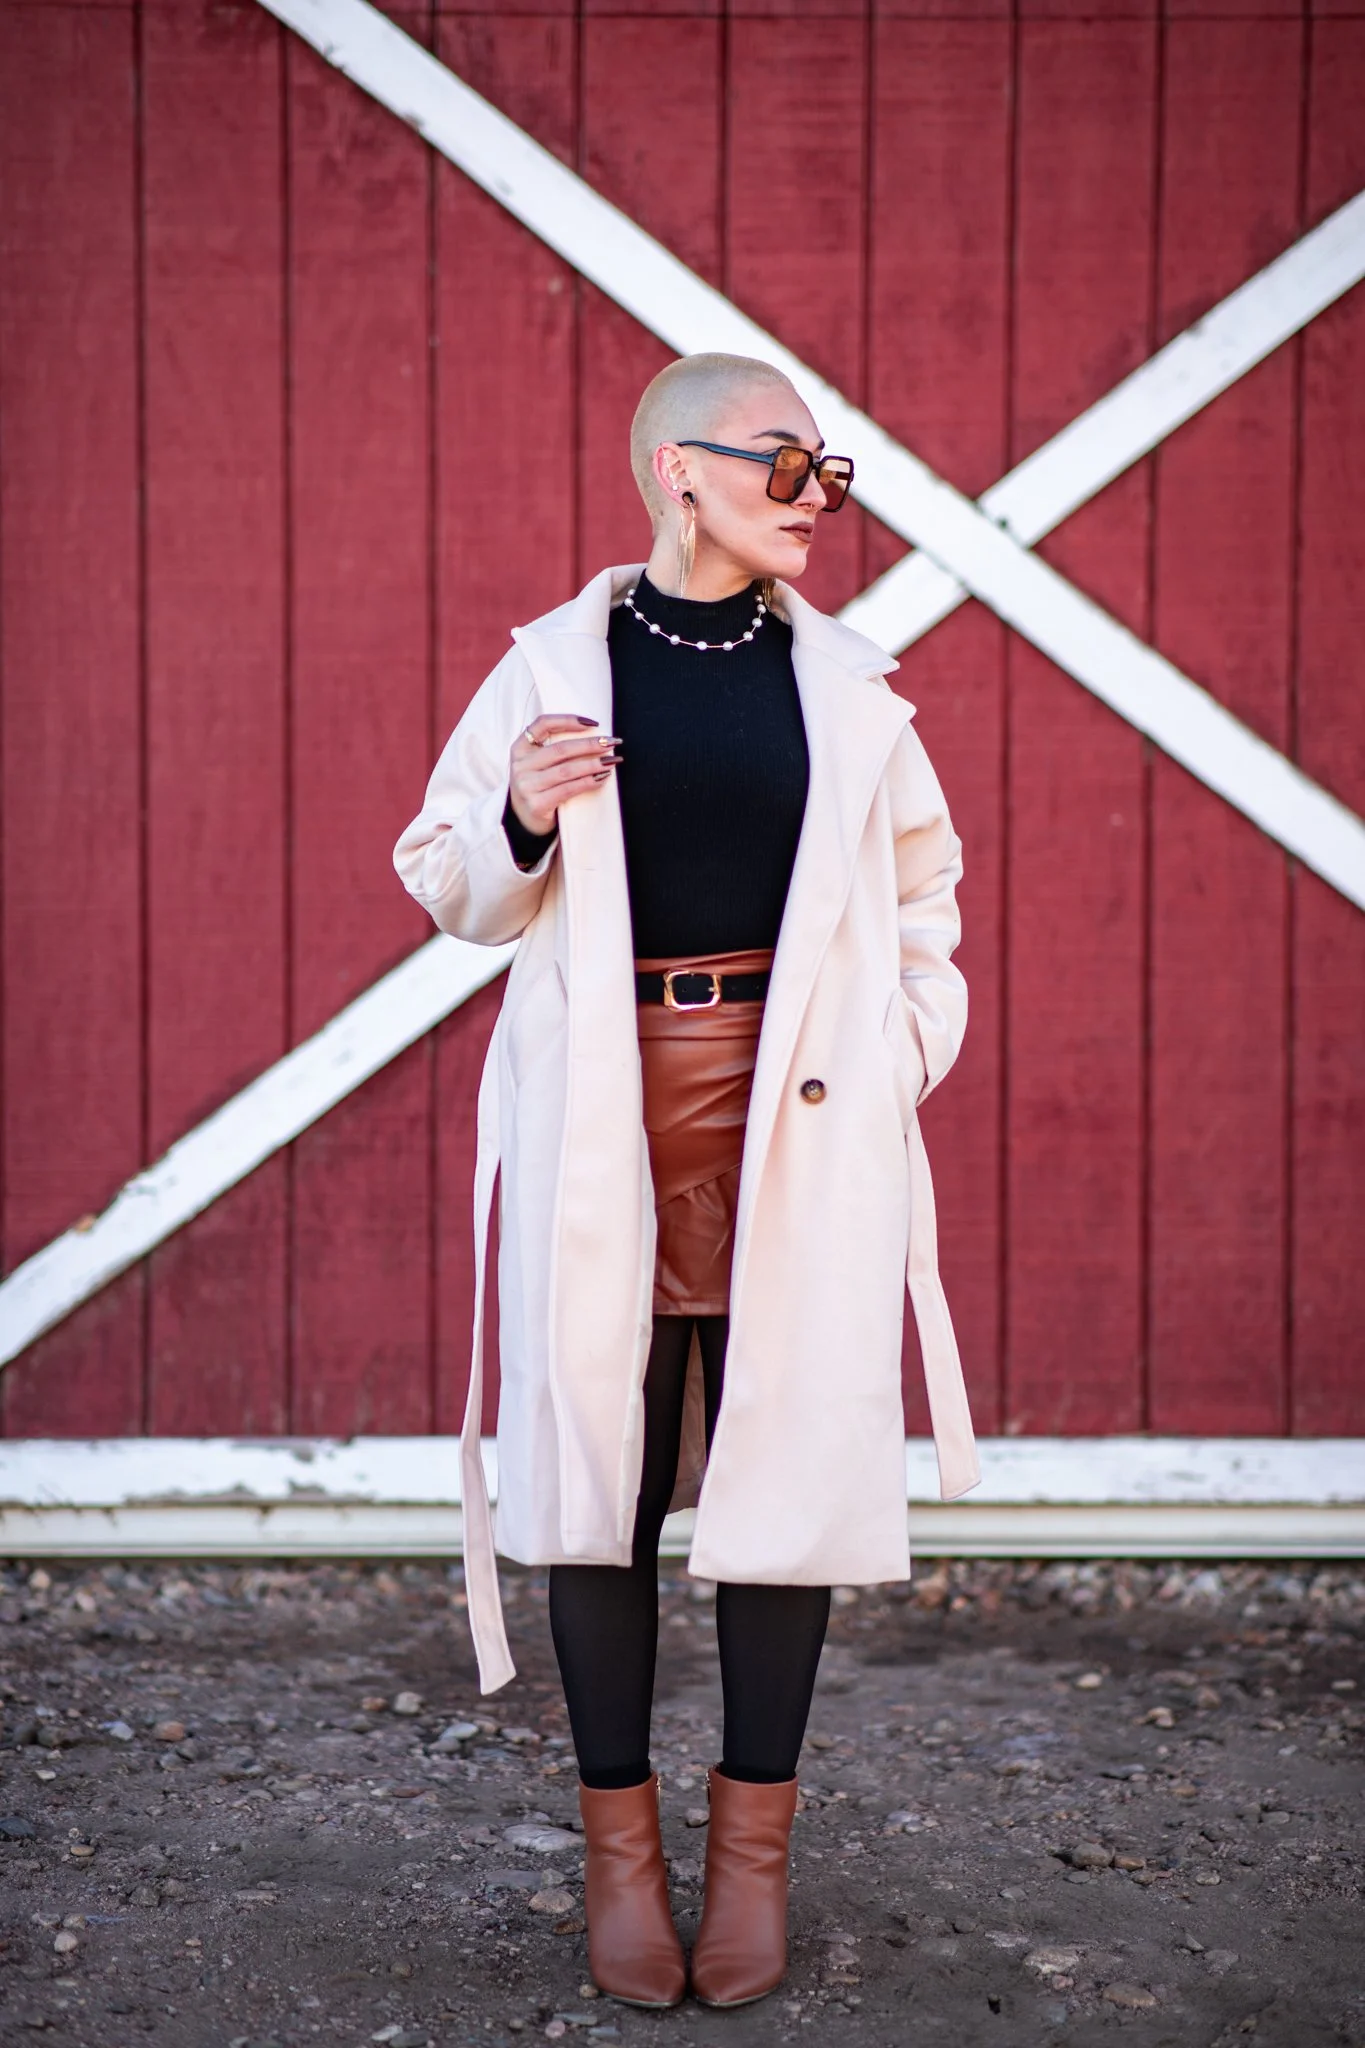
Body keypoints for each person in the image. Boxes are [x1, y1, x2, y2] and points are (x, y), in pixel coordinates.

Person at [393, 352, 980, 2012]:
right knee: (604, 1474)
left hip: (797, 1113)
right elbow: (445, 875)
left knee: (783, 1475)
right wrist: (513, 812)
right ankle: (621, 1872)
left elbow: (924, 895)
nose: (817, 499)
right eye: (786, 464)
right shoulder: (552, 671)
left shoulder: (850, 684)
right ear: (679, 474)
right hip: (609, 1108)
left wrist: (901, 1052)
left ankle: (754, 1870)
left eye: (829, 470)